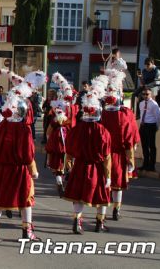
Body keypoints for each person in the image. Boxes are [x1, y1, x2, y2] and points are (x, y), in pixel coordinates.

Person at [0, 89, 39, 244]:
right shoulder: (24, 129)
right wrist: (33, 170)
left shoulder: (1, 126)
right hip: (19, 170)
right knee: (26, 201)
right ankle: (27, 232)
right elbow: (28, 154)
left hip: (1, 168)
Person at [63, 83, 112, 234]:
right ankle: (99, 222)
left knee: (78, 196)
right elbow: (107, 155)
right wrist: (108, 175)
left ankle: (77, 221)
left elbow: (69, 151)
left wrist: (68, 166)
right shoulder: (103, 131)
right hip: (97, 168)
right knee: (102, 196)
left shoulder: (77, 129)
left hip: (80, 166)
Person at [101, 70, 137, 221]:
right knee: (118, 185)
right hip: (119, 154)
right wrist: (131, 157)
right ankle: (116, 209)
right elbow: (130, 136)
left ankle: (100, 216)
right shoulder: (125, 114)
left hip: (104, 154)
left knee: (104, 184)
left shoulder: (103, 114)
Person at [138, 87, 160, 172]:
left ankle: (152, 166)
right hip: (143, 126)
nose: (145, 96)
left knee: (151, 146)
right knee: (144, 146)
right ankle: (145, 164)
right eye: (143, 94)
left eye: (147, 94)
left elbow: (158, 117)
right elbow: (141, 115)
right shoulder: (141, 103)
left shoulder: (154, 104)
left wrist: (157, 127)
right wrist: (141, 124)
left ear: (150, 94)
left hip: (151, 126)